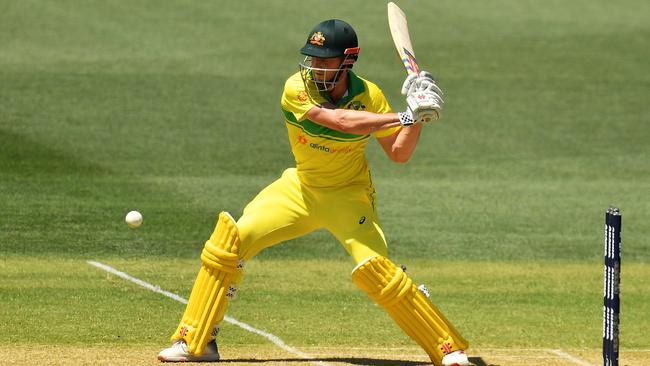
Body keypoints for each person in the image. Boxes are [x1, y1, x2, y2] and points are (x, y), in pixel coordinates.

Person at [157, 19, 469, 366]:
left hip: (348, 196)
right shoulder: (297, 87)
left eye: (324, 60)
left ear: (347, 62)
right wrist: (405, 115)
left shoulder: (370, 95)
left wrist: (419, 117)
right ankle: (196, 341)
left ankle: (447, 349)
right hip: (301, 189)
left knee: (378, 271)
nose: (315, 66)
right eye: (312, 58)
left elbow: (399, 153)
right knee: (230, 242)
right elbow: (339, 122)